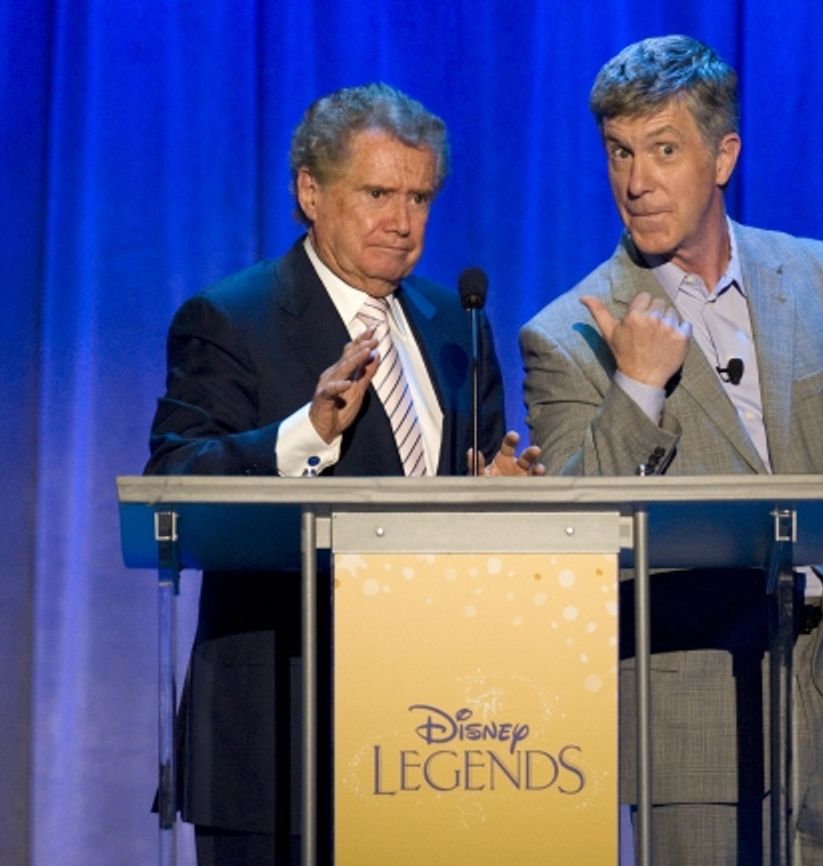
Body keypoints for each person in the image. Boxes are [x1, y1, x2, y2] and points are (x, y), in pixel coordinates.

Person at [519, 36, 823, 865]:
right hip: (692, 727)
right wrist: (636, 388)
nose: (636, 183)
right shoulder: (566, 334)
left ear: (723, 156)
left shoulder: (821, 278)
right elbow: (575, 536)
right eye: (620, 154)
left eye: (663, 150)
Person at [146, 82, 540, 865]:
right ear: (310, 192)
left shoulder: (455, 325)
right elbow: (175, 479)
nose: (404, 223)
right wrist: (306, 432)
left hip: (436, 732)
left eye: (421, 198)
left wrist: (496, 493)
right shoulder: (232, 317)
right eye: (379, 193)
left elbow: (462, 498)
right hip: (281, 734)